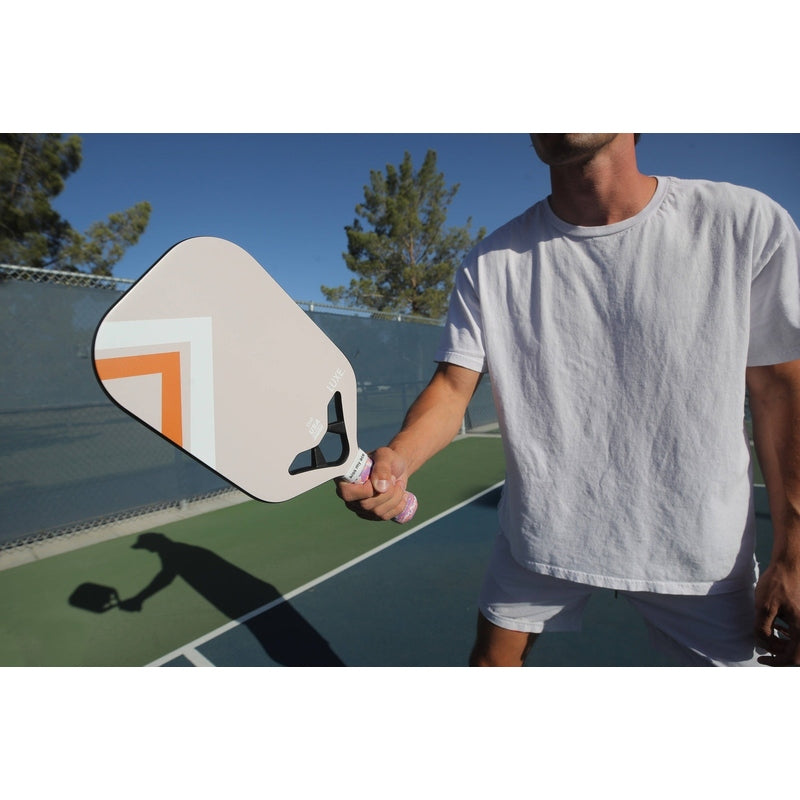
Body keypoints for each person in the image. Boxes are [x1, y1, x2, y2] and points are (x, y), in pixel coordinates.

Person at [336, 134, 800, 667]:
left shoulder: (745, 224)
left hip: (699, 554)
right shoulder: (489, 263)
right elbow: (451, 388)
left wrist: (795, 549)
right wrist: (398, 457)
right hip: (539, 538)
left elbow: (782, 392)